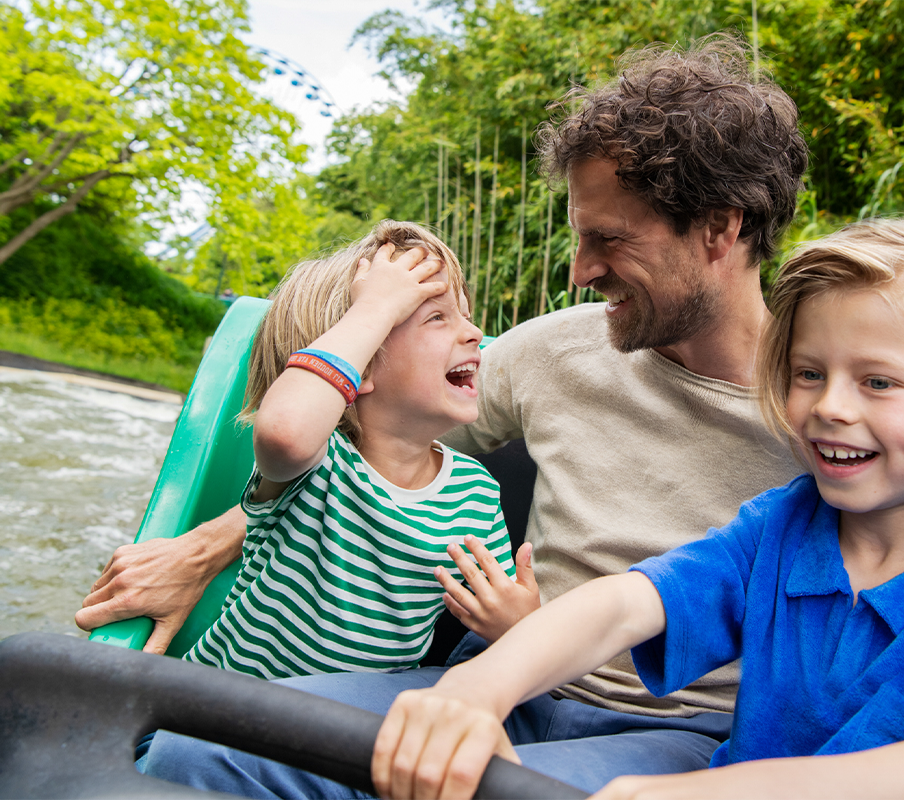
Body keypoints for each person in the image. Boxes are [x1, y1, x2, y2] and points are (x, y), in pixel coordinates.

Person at [84, 34, 811, 795]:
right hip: (490, 677)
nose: (580, 271)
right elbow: (366, 452)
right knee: (199, 751)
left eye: (610, 239)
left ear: (720, 228)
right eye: (579, 236)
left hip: (667, 731)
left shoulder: (827, 421)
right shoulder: (555, 350)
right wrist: (203, 550)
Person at [370, 218, 904, 800]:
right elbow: (625, 605)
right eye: (809, 373)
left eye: (877, 382)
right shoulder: (780, 531)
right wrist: (476, 688)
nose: (829, 406)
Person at [183, 220, 531, 679]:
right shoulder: (319, 463)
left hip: (353, 718)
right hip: (219, 705)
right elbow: (285, 431)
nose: (474, 332)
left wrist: (517, 623)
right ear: (359, 365)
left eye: (465, 315)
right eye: (437, 318)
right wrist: (375, 308)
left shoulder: (475, 493)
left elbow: (501, 612)